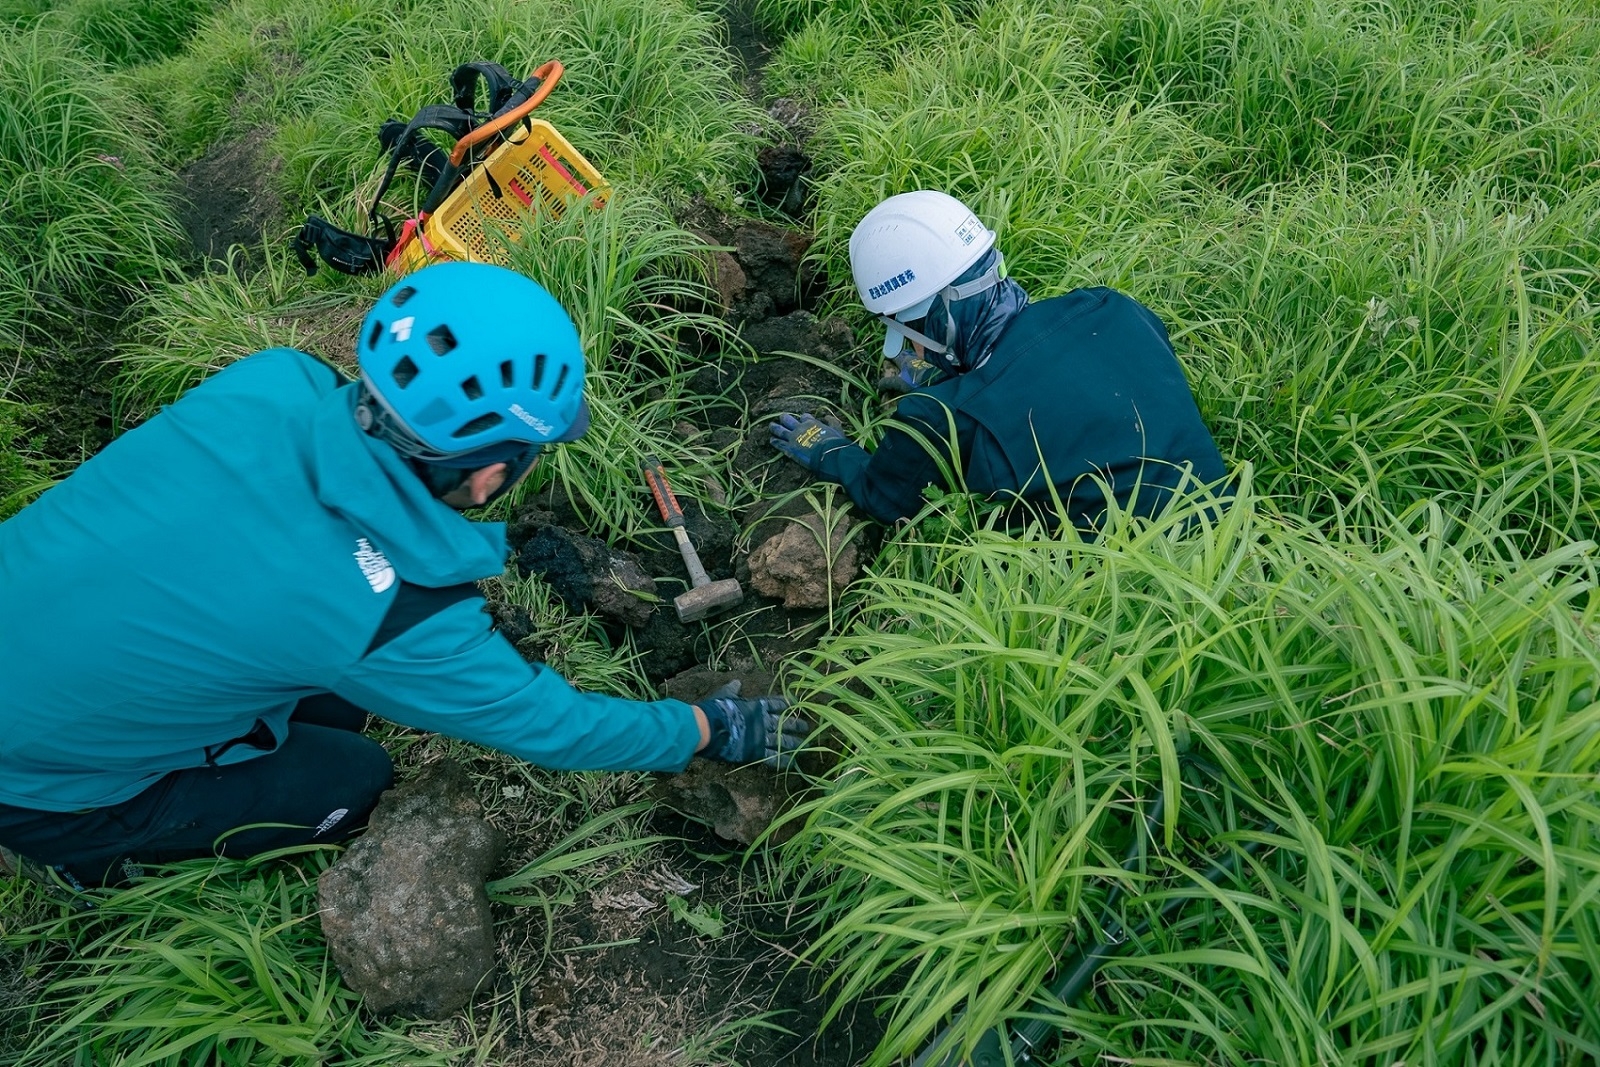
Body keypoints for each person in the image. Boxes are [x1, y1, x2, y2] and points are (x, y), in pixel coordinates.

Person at [0, 262, 804, 890]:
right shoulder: (383, 613)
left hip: (42, 627)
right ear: (489, 475)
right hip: (39, 788)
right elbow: (555, 727)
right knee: (353, 776)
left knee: (339, 700)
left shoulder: (273, 379)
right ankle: (97, 858)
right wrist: (705, 728)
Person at [770, 190, 1228, 528]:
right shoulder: (1112, 309)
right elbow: (1044, 384)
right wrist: (942, 377)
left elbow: (886, 499)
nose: (909, 350)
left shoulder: (937, 417)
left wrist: (831, 450)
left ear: (937, 320)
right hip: (1230, 536)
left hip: (1121, 595)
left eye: (905, 333)